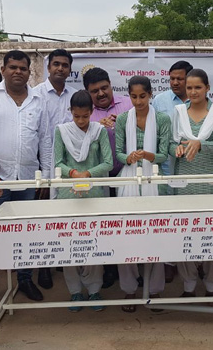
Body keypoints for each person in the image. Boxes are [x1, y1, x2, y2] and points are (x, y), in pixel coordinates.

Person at [0, 50, 52, 303]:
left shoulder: (39, 101)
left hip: (28, 179)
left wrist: (45, 179)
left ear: (29, 72)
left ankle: (25, 278)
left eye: (23, 68)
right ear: (3, 69)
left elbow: (45, 141)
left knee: (26, 232)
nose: (18, 72)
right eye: (13, 67)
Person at [170, 68, 213, 301]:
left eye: (198, 87)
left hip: (212, 183)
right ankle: (188, 285)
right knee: (185, 235)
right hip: (185, 183)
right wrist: (174, 149)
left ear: (208, 88)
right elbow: (169, 144)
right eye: (189, 88)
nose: (193, 92)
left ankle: (212, 286)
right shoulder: (178, 112)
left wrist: (201, 144)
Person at [114, 76, 171, 312]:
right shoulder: (123, 119)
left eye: (142, 96)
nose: (138, 101)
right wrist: (129, 158)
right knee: (126, 236)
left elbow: (165, 154)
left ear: (150, 94)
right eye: (134, 96)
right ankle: (129, 290)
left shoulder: (162, 119)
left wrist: (148, 155)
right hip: (128, 181)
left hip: (153, 181)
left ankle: (155, 290)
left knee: (154, 236)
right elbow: (118, 152)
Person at [54, 90, 113, 312]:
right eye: (77, 116)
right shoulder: (61, 131)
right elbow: (58, 162)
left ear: (92, 113)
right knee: (70, 244)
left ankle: (95, 290)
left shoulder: (99, 131)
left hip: (94, 194)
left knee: (94, 244)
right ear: (71, 112)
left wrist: (87, 174)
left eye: (85, 116)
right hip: (70, 194)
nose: (80, 121)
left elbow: (108, 162)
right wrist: (73, 174)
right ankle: (75, 292)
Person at [83, 66, 133, 287]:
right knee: (104, 226)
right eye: (95, 91)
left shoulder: (128, 104)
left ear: (111, 85)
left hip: (127, 175)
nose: (101, 94)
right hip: (100, 178)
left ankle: (134, 267)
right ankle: (109, 269)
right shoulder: (85, 113)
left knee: (129, 224)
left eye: (104, 88)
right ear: (88, 92)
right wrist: (95, 128)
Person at [32, 48, 77, 288]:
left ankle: (64, 259)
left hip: (71, 166)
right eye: (56, 64)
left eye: (65, 65)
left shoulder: (76, 95)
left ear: (70, 69)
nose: (60, 68)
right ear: (48, 67)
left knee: (66, 216)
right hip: (43, 164)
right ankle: (44, 268)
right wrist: (46, 174)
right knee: (44, 218)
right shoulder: (35, 94)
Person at [151, 60, 192, 282]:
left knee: (189, 218)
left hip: (193, 170)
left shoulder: (201, 102)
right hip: (166, 168)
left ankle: (192, 262)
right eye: (172, 78)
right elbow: (155, 133)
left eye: (180, 78)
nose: (175, 82)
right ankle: (168, 262)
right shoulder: (160, 100)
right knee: (167, 218)